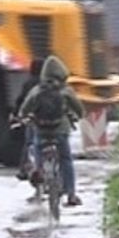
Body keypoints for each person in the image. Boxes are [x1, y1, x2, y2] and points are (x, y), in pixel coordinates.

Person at [18, 55, 84, 207]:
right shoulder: (66, 91)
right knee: (66, 159)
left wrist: (23, 117)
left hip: (42, 130)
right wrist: (78, 116)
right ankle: (71, 194)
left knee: (36, 148)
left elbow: (24, 110)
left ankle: (38, 169)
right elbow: (79, 109)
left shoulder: (36, 90)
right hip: (60, 131)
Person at [13, 57, 45, 183]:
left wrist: (16, 114)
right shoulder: (49, 83)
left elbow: (22, 100)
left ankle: (23, 170)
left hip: (33, 117)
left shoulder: (29, 83)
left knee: (29, 142)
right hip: (49, 119)